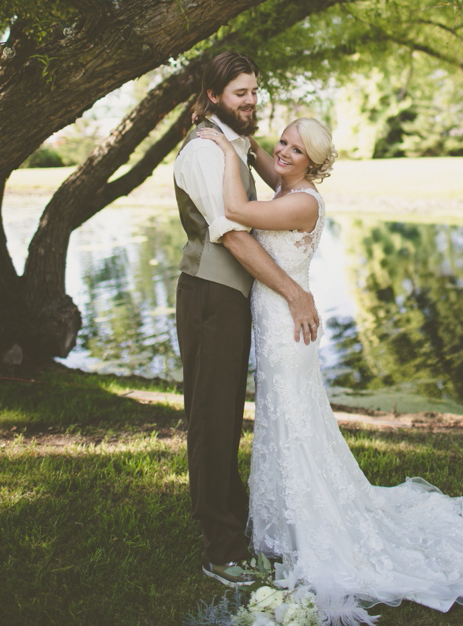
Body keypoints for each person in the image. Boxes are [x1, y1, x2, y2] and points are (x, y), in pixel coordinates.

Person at [199, 116, 463, 626]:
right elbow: (268, 163)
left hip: (287, 329)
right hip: (277, 320)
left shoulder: (300, 201)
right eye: (283, 141)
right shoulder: (288, 183)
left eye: (296, 149)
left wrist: (218, 145)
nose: (283, 152)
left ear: (314, 163)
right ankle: (282, 520)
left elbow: (235, 210)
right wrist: (247, 144)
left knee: (291, 421)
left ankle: (302, 526)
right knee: (285, 419)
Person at [173, 52, 320, 589]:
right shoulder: (204, 152)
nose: (251, 101)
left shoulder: (231, 140)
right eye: (241, 93)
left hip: (232, 299)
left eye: (255, 91)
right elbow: (231, 234)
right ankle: (220, 549)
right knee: (212, 421)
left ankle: (232, 526)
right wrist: (294, 293)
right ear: (213, 95)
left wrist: (256, 142)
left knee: (226, 417)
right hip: (210, 295)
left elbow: (267, 160)